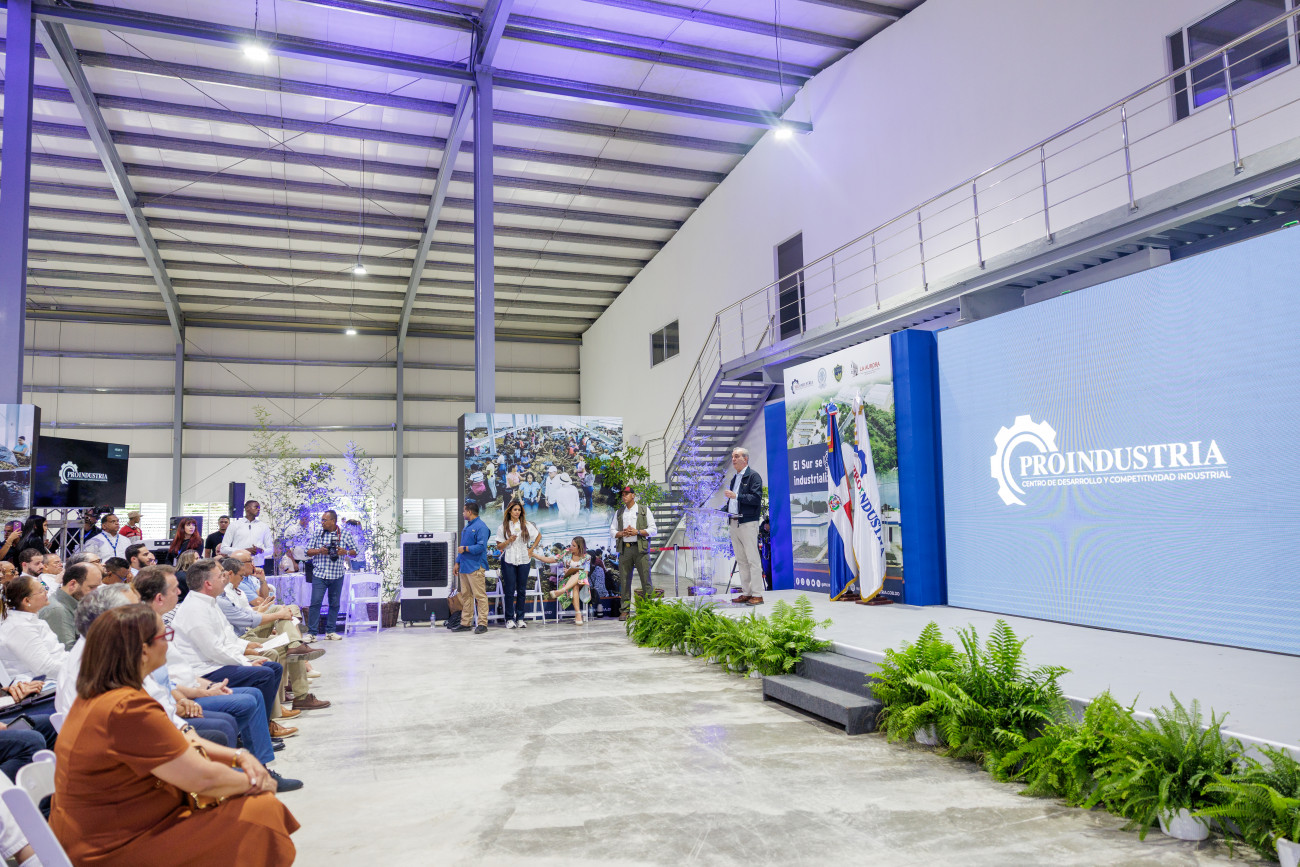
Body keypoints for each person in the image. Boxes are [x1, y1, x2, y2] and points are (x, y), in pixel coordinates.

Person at [49, 604, 300, 866]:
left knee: (249, 805)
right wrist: (255, 781)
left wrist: (239, 756)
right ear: (143, 650)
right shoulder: (125, 707)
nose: (169, 643)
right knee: (260, 809)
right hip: (113, 846)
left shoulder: (107, 691)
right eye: (165, 636)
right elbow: (202, 779)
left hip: (118, 827)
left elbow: (179, 739)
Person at [133, 567, 299, 788]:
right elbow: (208, 653)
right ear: (159, 597)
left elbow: (224, 639)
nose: (179, 593)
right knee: (256, 686)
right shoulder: (178, 616)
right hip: (204, 672)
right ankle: (253, 765)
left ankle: (259, 760)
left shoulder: (204, 605)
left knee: (258, 687)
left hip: (198, 679)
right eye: (174, 589)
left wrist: (212, 682)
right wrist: (201, 690)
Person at [170, 560, 293, 733]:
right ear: (208, 584)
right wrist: (246, 663)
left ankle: (265, 723)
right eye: (220, 575)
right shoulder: (195, 608)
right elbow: (215, 650)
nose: (225, 577)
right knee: (264, 674)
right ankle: (261, 728)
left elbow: (227, 635)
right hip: (206, 670)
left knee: (273, 667)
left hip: (216, 663)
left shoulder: (210, 601)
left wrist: (246, 648)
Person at [0, 575, 68, 681]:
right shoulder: (19, 627)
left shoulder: (32, 621)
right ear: (27, 601)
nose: (46, 592)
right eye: (41, 591)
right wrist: (80, 670)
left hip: (61, 674)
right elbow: (45, 669)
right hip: (42, 684)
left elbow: (58, 655)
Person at [304, 510, 355, 641]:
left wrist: (345, 552)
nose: (322, 522)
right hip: (319, 574)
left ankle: (330, 632)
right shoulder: (317, 533)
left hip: (337, 574)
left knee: (335, 604)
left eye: (324, 520)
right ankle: (312, 633)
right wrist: (319, 551)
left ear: (333, 521)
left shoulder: (345, 534)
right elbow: (307, 551)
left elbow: (355, 552)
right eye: (322, 520)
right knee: (315, 603)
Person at [724, 447, 766, 606]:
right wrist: (721, 510)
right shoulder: (735, 478)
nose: (733, 459)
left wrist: (736, 496)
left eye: (736, 456)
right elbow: (733, 503)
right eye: (732, 457)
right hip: (734, 522)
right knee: (741, 560)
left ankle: (757, 594)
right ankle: (747, 593)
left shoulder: (753, 476)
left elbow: (755, 498)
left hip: (747, 523)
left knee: (752, 559)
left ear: (745, 459)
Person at [611, 485, 656, 621]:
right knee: (624, 581)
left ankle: (650, 609)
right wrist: (622, 533)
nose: (624, 496)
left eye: (626, 494)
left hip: (640, 549)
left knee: (646, 580)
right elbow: (612, 531)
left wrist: (637, 532)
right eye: (622, 494)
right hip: (625, 549)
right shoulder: (619, 512)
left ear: (633, 495)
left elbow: (653, 530)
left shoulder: (644, 510)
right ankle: (625, 610)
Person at [494, 499, 539, 629]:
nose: (517, 512)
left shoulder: (526, 524)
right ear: (509, 511)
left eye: (519, 510)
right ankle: (509, 618)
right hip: (509, 559)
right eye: (515, 510)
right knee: (509, 590)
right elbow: (499, 546)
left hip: (524, 560)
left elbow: (538, 536)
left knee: (521, 590)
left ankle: (520, 618)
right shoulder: (503, 527)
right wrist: (509, 540)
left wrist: (531, 549)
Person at [40, 561, 103, 649]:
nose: (96, 593)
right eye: (92, 587)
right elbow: (68, 651)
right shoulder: (57, 610)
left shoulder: (78, 602)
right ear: (72, 584)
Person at [451, 501, 490, 634]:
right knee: (466, 596)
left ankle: (482, 623)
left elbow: (481, 547)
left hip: (476, 567)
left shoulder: (481, 527)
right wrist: (457, 562)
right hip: (464, 566)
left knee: (480, 596)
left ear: (469, 512)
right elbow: (462, 547)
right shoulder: (467, 527)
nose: (463, 513)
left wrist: (466, 549)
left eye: (464, 511)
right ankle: (465, 623)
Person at [536, 537, 591, 625]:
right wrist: (535, 555)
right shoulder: (566, 553)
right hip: (567, 580)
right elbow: (551, 560)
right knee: (575, 586)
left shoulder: (587, 557)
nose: (571, 547)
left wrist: (572, 570)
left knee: (578, 573)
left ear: (580, 547)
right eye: (571, 544)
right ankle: (578, 614)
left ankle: (561, 591)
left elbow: (586, 573)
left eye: (574, 546)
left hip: (582, 581)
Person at [220, 500, 274, 570]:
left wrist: (261, 551)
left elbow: (270, 549)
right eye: (256, 507)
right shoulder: (234, 525)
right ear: (247, 508)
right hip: (238, 564)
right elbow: (223, 549)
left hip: (257, 565)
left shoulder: (264, 526)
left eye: (259, 508)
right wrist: (243, 551)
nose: (258, 509)